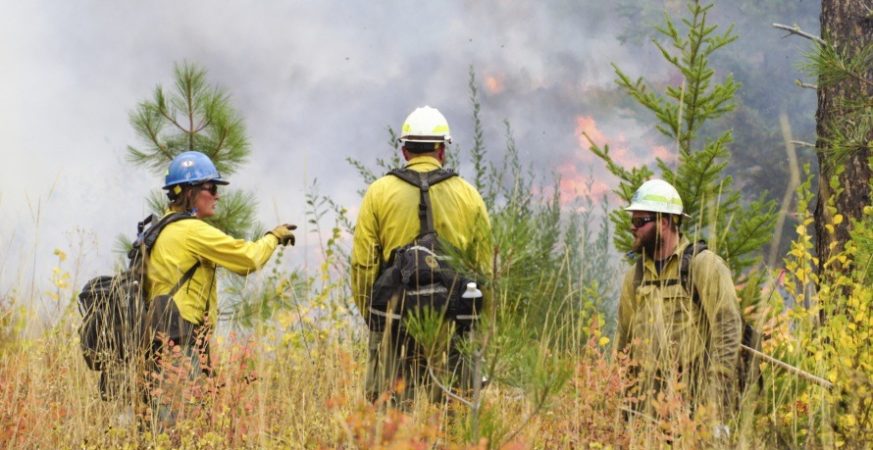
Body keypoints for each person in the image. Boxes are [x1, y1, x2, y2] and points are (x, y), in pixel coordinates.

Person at [351, 106, 492, 406]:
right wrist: (480, 323)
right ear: (442, 150)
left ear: (404, 151)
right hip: (455, 324)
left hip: (396, 319)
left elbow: (362, 266)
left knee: (392, 419)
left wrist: (375, 320)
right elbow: (485, 270)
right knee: (457, 415)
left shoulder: (378, 193)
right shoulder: (468, 195)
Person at [145, 150, 296, 426]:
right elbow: (248, 260)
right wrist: (273, 237)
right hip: (181, 344)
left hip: (160, 341)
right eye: (211, 188)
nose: (217, 195)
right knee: (180, 427)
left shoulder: (161, 229)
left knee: (167, 424)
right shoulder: (191, 230)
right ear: (191, 192)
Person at [616, 179, 741, 431]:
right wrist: (623, 407)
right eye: (633, 221)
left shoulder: (704, 266)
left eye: (640, 221)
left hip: (694, 411)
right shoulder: (635, 276)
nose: (633, 228)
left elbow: (728, 332)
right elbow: (624, 343)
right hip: (647, 415)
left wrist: (715, 409)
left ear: (663, 222)